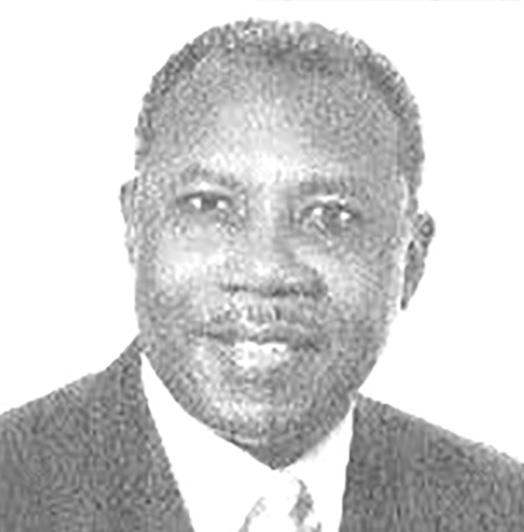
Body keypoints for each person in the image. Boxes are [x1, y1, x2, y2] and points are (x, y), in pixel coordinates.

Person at [0, 18, 522, 532]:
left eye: (330, 216)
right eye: (208, 205)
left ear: (412, 258)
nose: (266, 269)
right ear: (135, 225)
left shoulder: (500, 507)